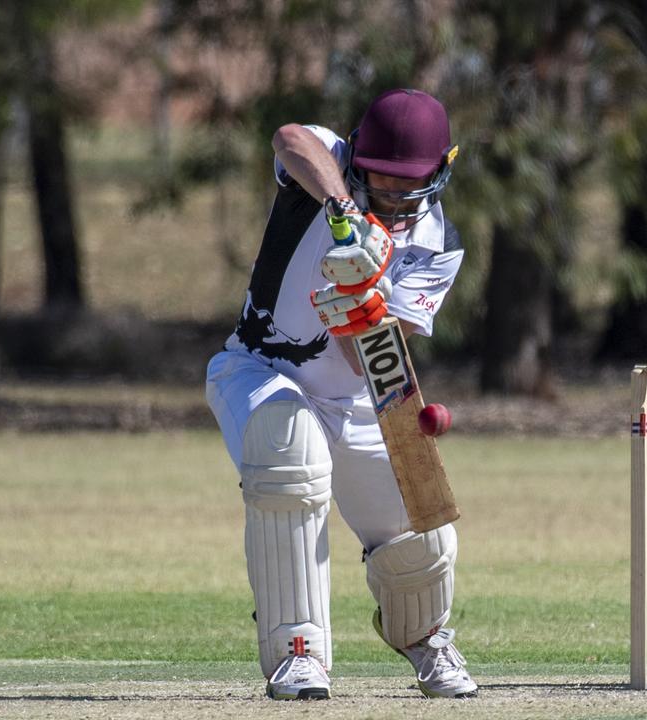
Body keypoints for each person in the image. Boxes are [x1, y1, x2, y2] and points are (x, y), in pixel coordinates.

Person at [205, 88, 477, 700]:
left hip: (358, 393)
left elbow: (374, 358)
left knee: (421, 522)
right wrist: (344, 212)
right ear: (355, 158)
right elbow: (288, 137)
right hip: (258, 370)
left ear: (440, 170)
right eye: (376, 179)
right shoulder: (326, 160)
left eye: (402, 183)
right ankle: (297, 652)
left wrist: (362, 303)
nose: (388, 194)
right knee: (291, 452)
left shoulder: (437, 243)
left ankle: (425, 634)